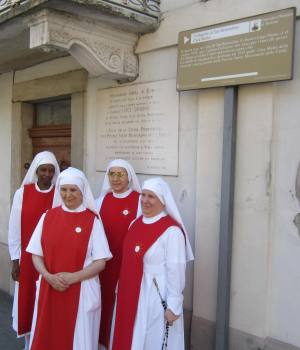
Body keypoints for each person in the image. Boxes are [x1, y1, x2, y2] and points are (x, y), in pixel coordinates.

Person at [26, 167, 112, 350]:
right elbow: (36, 254)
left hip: (81, 291)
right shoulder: (47, 217)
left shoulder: (92, 221)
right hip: (49, 289)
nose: (68, 195)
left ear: (82, 192)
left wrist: (74, 277)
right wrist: (48, 276)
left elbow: (100, 262)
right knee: (48, 337)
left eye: (73, 190)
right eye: (64, 190)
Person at [111, 177, 194, 350]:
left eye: (151, 196)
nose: (145, 201)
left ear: (162, 200)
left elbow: (176, 270)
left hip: (155, 295)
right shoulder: (135, 223)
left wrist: (174, 304)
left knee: (152, 339)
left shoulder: (172, 231)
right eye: (143, 195)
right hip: (130, 291)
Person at [8, 151, 60, 350]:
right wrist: (15, 260)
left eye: (50, 170)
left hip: (51, 258)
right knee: (28, 302)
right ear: (35, 171)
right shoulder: (23, 193)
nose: (46, 174)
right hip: (28, 258)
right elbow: (14, 228)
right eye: (43, 170)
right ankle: (29, 344)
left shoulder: (59, 193)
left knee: (47, 303)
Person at [95, 159, 141, 350]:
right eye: (112, 174)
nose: (115, 178)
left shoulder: (140, 200)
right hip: (105, 266)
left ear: (129, 177)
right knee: (104, 307)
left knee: (125, 309)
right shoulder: (101, 201)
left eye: (120, 174)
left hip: (128, 266)